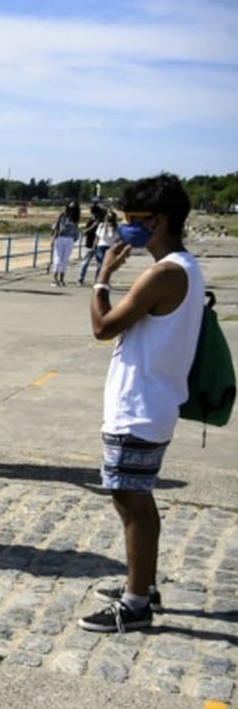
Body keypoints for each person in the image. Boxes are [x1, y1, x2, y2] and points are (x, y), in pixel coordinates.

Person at [79, 175, 205, 634]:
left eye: (134, 220)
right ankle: (142, 582)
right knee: (136, 497)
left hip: (141, 404)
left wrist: (101, 280)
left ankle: (135, 604)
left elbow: (103, 327)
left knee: (129, 498)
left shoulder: (165, 273)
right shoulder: (183, 268)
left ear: (160, 221)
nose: (126, 228)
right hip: (150, 399)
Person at [78, 205, 119, 287]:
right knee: (89, 263)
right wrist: (94, 245)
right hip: (95, 245)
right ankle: (81, 278)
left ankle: (100, 280)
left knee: (104, 265)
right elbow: (94, 235)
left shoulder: (113, 227)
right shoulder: (98, 224)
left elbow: (115, 238)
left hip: (107, 246)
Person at [50, 205, 78, 287]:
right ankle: (55, 278)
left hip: (69, 239)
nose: (64, 211)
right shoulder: (60, 219)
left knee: (65, 259)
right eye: (63, 210)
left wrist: (74, 238)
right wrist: (53, 239)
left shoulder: (73, 219)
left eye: (66, 210)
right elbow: (55, 229)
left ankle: (61, 278)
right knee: (58, 258)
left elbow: (76, 229)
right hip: (60, 238)